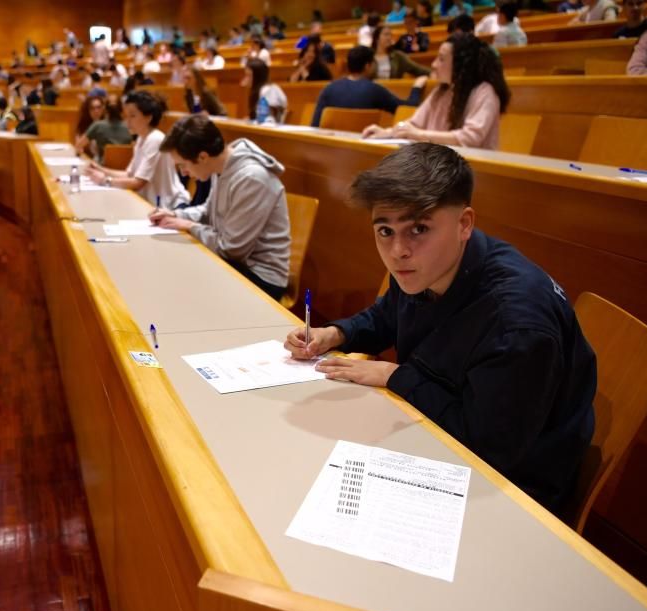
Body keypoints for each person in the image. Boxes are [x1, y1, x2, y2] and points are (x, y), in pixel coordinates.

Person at [284, 143, 597, 513]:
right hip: (439, 434)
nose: (398, 250)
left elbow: (488, 447)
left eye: (418, 228)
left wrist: (395, 376)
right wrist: (335, 334)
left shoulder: (517, 322)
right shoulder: (429, 264)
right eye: (384, 230)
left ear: (464, 223)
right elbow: (387, 316)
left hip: (510, 491)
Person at [150, 115, 291, 302]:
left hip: (261, 276)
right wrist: (175, 214)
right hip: (237, 263)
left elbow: (231, 249)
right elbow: (207, 212)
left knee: (179, 278)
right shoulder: (222, 168)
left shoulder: (252, 178)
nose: (183, 172)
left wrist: (189, 226)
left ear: (202, 156)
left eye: (183, 165)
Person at [362, 34, 509, 149]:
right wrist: (387, 133)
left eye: (441, 59)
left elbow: (469, 139)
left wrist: (419, 135)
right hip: (440, 168)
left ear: (460, 65)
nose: (434, 64)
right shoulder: (441, 90)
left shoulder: (485, 91)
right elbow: (413, 125)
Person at [82, 91, 190, 209]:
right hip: (154, 204)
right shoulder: (141, 138)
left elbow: (138, 182)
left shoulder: (155, 139)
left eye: (132, 116)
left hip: (172, 206)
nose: (127, 121)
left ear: (148, 118)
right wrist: (100, 169)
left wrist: (105, 180)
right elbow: (129, 174)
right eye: (126, 116)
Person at [312, 47, 428, 125]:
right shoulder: (374, 90)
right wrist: (416, 88)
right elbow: (407, 109)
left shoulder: (328, 89)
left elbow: (314, 126)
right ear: (368, 66)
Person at [81, 97, 133, 164]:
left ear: (105, 110)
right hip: (124, 169)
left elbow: (78, 146)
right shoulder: (130, 127)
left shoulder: (97, 125)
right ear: (122, 110)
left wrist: (90, 162)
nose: (96, 111)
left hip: (102, 169)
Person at [244, 58, 287, 124]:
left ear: (258, 76)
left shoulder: (269, 90)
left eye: (248, 75)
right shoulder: (258, 90)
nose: (246, 79)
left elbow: (270, 120)